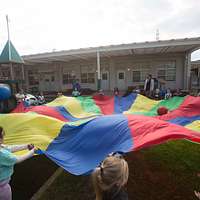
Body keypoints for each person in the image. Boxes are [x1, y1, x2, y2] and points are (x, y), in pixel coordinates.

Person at [0, 126, 36, 200]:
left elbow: (10, 148)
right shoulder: (2, 155)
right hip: (2, 187)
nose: (4, 137)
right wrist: (32, 152)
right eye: (3, 135)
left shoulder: (1, 147)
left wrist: (25, 146)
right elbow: (17, 159)